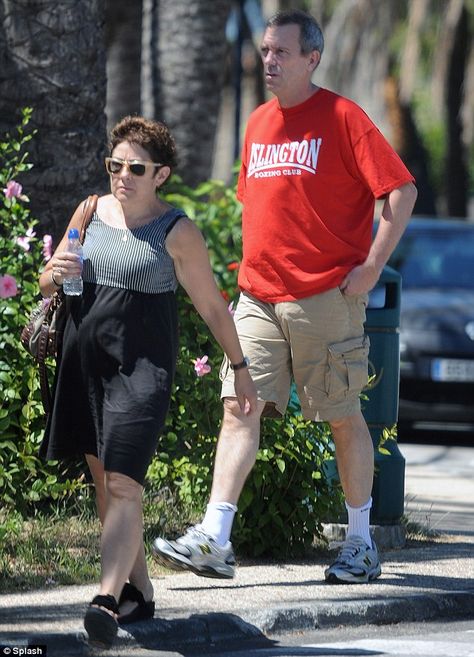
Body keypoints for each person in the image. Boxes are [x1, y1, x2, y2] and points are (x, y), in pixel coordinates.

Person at [152, 9, 417, 585]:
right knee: (239, 406)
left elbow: (401, 190)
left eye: (281, 53)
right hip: (258, 297)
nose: (268, 60)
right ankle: (215, 538)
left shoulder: (345, 118)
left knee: (343, 418)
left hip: (327, 296)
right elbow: (263, 207)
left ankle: (362, 543)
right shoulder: (257, 124)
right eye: (266, 50)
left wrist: (373, 265)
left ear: (311, 59)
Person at [39, 115, 257, 648]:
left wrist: (241, 367)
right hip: (84, 363)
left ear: (161, 174)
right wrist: (56, 269)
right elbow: (48, 281)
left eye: (136, 167)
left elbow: (210, 304)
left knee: (123, 483)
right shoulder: (89, 212)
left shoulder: (176, 230)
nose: (123, 176)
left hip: (142, 370)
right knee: (103, 484)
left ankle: (105, 600)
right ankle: (140, 592)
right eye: (116, 165)